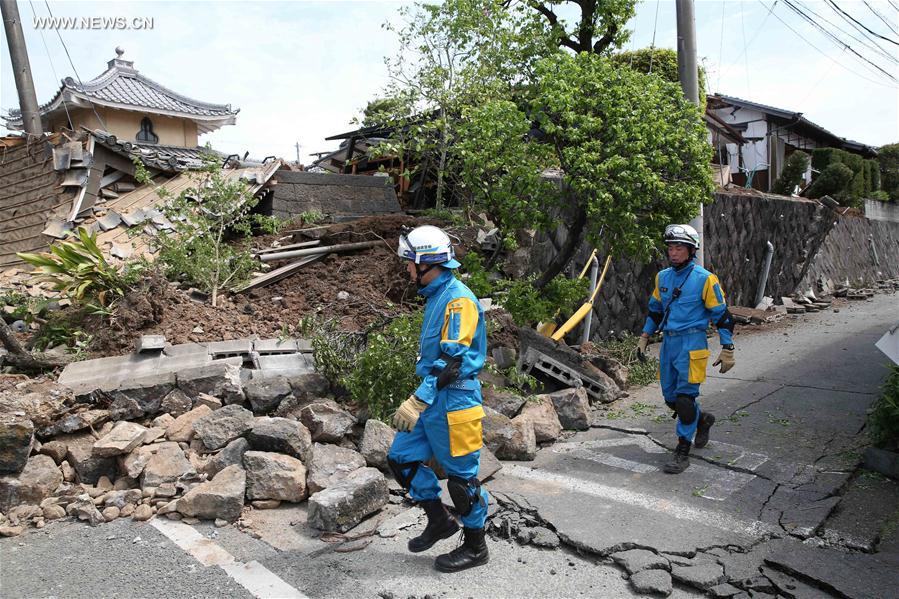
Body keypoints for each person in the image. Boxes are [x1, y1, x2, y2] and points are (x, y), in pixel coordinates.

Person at [387, 224, 490, 573]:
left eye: (410, 264)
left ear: (426, 264)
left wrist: (417, 400)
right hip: (434, 399)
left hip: (455, 400)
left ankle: (477, 547)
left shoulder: (458, 300)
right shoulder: (436, 297)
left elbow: (452, 361)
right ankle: (439, 520)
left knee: (462, 482)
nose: (407, 270)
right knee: (400, 459)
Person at [636, 224, 736, 474]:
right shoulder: (663, 278)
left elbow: (722, 315)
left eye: (679, 247)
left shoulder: (705, 279)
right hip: (669, 343)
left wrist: (728, 347)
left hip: (693, 343)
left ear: (691, 250)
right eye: (670, 247)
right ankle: (702, 420)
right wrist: (645, 336)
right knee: (671, 399)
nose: (673, 252)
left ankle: (682, 450)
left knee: (684, 398)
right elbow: (656, 310)